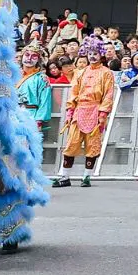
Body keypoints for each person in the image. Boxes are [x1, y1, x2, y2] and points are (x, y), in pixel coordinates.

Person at [53, 45, 115, 188]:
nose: (92, 56)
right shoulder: (80, 72)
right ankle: (65, 176)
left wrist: (103, 113)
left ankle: (86, 176)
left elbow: (108, 94)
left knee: (92, 145)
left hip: (95, 110)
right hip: (79, 110)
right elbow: (73, 92)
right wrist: (70, 111)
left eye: (96, 53)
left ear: (101, 55)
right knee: (71, 143)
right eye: (90, 53)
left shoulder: (107, 73)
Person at [16, 46, 55, 144]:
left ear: (38, 60)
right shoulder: (13, 75)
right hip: (13, 114)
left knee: (28, 147)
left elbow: (45, 101)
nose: (29, 58)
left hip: (31, 115)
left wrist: (38, 121)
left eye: (34, 56)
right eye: (27, 55)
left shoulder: (42, 78)